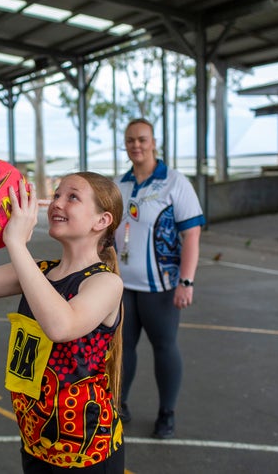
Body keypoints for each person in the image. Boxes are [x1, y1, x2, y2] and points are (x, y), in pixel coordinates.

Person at [0, 172, 125, 472]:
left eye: (72, 197)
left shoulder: (105, 283)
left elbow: (61, 326)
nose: (56, 203)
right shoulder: (39, 272)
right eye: (57, 194)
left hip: (85, 451)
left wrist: (16, 243)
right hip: (35, 442)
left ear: (101, 221)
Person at [113, 118, 205, 439]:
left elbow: (191, 234)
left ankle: (167, 412)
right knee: (122, 350)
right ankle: (118, 405)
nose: (136, 145)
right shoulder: (119, 185)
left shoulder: (174, 182)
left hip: (161, 287)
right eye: (130, 140)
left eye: (142, 139)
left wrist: (186, 281)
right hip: (121, 286)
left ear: (153, 142)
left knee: (164, 347)